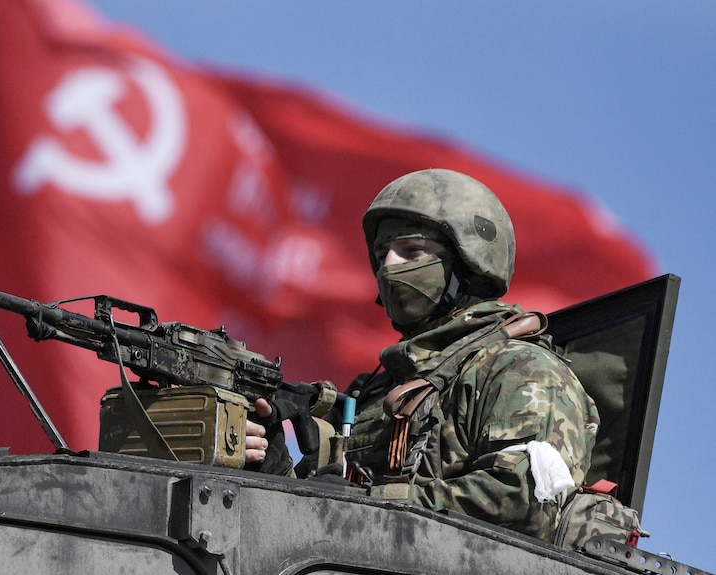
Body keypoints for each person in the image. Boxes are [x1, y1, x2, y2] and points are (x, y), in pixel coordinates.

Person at [246, 168, 600, 543]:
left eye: (411, 251)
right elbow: (317, 523)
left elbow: (527, 502)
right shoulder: (376, 390)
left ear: (468, 262)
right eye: (382, 255)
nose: (389, 266)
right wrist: (276, 468)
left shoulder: (519, 370)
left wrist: (363, 503)